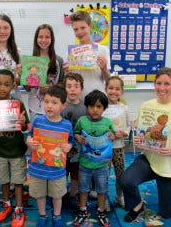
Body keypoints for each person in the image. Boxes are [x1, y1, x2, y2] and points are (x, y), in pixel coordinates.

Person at [119, 67, 171, 222]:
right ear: (154, 84)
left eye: (167, 84)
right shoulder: (147, 105)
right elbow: (145, 133)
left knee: (168, 211)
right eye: (158, 83)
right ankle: (137, 205)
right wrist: (139, 140)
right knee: (126, 180)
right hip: (150, 159)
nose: (162, 88)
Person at [0, 69, 30, 226]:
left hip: (16, 151)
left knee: (18, 181)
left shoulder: (18, 104)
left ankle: (18, 209)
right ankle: (7, 205)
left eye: (7, 84)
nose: (2, 88)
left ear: (13, 86)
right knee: (3, 180)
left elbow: (26, 127)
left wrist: (22, 122)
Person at [26, 85, 73, 227]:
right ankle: (42, 215)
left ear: (63, 105)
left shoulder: (66, 125)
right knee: (39, 195)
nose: (49, 106)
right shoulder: (37, 120)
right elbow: (30, 135)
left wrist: (68, 146)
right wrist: (29, 141)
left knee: (57, 195)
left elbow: (70, 141)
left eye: (54, 102)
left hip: (57, 169)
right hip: (38, 168)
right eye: (46, 102)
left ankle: (57, 216)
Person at [73, 89, 115, 227]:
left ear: (104, 108)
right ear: (87, 107)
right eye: (91, 106)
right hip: (84, 164)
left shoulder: (107, 122)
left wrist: (112, 135)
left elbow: (113, 134)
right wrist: (77, 136)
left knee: (102, 190)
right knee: (83, 189)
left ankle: (101, 211)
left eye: (99, 107)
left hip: (102, 166)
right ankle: (82, 211)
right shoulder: (82, 120)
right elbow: (76, 132)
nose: (95, 110)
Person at [64, 11, 111, 97]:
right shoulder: (71, 52)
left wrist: (104, 69)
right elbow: (68, 80)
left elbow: (108, 81)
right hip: (77, 99)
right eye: (76, 29)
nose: (79, 32)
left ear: (90, 26)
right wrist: (67, 72)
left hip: (97, 99)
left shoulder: (103, 50)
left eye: (83, 28)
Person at [102, 76, 130, 208]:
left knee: (121, 173)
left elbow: (128, 126)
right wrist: (106, 133)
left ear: (122, 91)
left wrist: (124, 133)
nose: (114, 91)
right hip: (104, 148)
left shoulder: (124, 107)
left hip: (118, 147)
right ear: (105, 89)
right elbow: (96, 124)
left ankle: (120, 196)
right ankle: (103, 199)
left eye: (117, 89)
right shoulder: (101, 107)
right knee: (103, 174)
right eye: (111, 88)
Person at [27, 24, 64, 119]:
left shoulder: (58, 60)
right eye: (40, 37)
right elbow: (27, 88)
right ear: (36, 39)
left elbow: (61, 84)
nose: (43, 40)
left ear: (52, 39)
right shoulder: (30, 61)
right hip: (34, 107)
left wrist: (51, 88)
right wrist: (22, 74)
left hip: (54, 108)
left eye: (47, 37)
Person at [60, 73, 86, 207]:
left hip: (78, 147)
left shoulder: (85, 107)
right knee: (62, 169)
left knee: (76, 170)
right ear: (64, 89)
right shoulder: (61, 107)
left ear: (81, 89)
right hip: (62, 147)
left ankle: (73, 193)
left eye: (76, 86)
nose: (72, 89)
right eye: (69, 86)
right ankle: (62, 192)